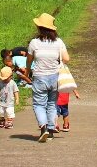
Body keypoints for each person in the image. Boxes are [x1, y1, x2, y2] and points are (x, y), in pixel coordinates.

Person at [26, 12, 69, 142]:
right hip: (54, 77)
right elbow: (66, 58)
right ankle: (50, 132)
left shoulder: (34, 43)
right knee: (51, 104)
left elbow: (29, 60)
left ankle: (43, 128)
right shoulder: (58, 42)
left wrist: (28, 71)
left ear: (39, 27)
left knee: (39, 104)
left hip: (39, 77)